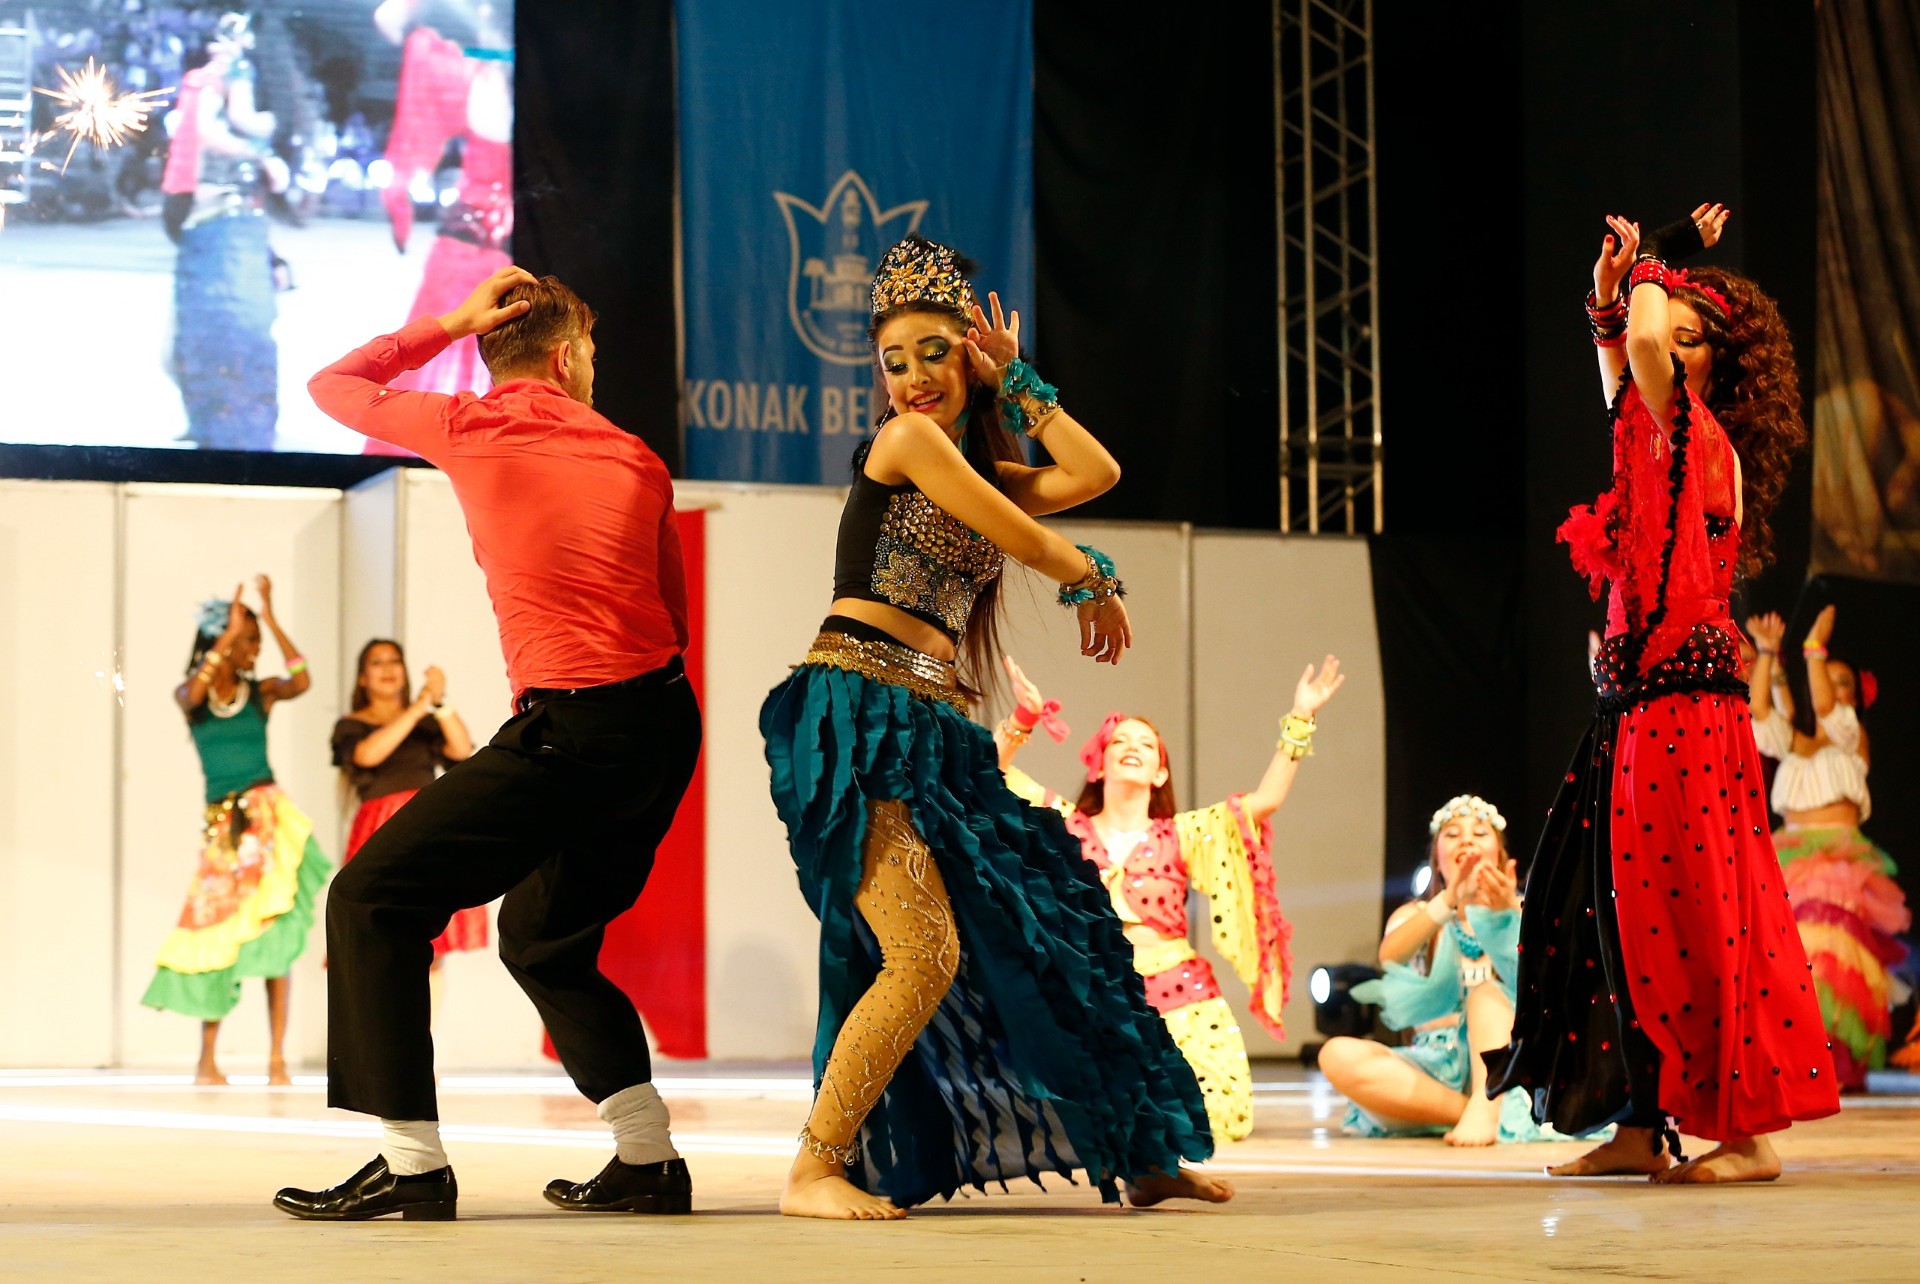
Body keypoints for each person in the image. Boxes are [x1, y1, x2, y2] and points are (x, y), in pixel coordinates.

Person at [760, 237, 1225, 1221]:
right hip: (858, 719)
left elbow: (1095, 470)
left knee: (1058, 928)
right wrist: (1090, 575)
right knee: (920, 954)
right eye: (894, 361)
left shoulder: (973, 462)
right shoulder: (905, 443)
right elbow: (1023, 535)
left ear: (966, 359)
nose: (913, 379)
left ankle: (1140, 1153)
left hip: (935, 728)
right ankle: (813, 1168)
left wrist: (1018, 378)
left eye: (935, 353)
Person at [277, 266, 700, 1222]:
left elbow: (333, 387)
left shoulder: (468, 425)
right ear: (566, 357)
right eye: (591, 353)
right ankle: (647, 1159)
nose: (593, 367)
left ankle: (412, 1166)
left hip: (571, 724)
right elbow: (672, 617)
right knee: (544, 938)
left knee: (370, 898)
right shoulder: (637, 457)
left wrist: (448, 323)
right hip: (660, 725)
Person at [1487, 205, 1840, 1183]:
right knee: (1610, 914)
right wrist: (1611, 293)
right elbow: (1623, 356)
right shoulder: (1650, 432)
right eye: (1667, 333)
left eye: (1692, 340)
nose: (1666, 348)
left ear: (1715, 367)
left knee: (1697, 916)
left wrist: (1660, 260)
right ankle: (1639, 1125)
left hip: (1686, 711)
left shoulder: (1698, 434)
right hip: (1635, 707)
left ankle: (1747, 1135)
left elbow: (1641, 346)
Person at [995, 655, 1343, 1141]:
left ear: (1160, 774)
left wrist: (1301, 716)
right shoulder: (1064, 824)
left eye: (1145, 744)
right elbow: (990, 776)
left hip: (1180, 996)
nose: (1131, 747)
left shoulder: (1183, 834)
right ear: (1099, 764)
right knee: (1063, 1113)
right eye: (1120, 741)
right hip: (1093, 993)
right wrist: (1024, 718)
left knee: (1215, 1112)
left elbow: (1264, 802)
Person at [142, 577, 327, 1087]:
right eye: (248, 640)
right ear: (219, 640)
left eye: (255, 641)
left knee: (276, 933)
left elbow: (301, 678)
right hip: (225, 831)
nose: (254, 650)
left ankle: (276, 1059)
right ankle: (207, 1059)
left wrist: (269, 617)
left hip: (267, 821)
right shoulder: (194, 698)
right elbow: (191, 693)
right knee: (218, 934)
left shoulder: (259, 694)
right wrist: (225, 641)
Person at [1323, 797, 1590, 1146]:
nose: (1466, 840)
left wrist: (1510, 912)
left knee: (1485, 995)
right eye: (1452, 835)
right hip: (1436, 1070)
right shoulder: (1417, 915)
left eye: (1479, 833)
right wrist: (1449, 900)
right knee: (1336, 1054)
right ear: (1437, 858)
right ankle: (1473, 1111)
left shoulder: (1527, 910)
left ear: (1500, 855)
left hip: (1510, 1066)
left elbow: (1557, 982)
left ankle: (1488, 1100)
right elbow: (1390, 956)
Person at [1747, 606, 1910, 1089]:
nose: (1833, 690)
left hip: (1839, 862)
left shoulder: (1851, 739)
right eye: (1826, 679)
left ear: (1854, 699)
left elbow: (1825, 710)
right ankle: (1793, 1060)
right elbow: (1761, 713)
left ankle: (1829, 1062)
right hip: (1790, 857)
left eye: (1843, 684)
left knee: (1831, 963)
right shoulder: (1795, 746)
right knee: (1788, 962)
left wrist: (1814, 650)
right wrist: (1767, 653)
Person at [365, 0, 513, 446]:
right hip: (495, 258)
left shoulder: (463, 73)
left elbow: (388, 18)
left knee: (437, 363)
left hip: (469, 253)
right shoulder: (547, 89)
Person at [160, 12, 290, 449]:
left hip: (222, 224)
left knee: (211, 337)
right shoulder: (215, 81)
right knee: (212, 338)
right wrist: (262, 149)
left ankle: (216, 423)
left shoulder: (217, 81)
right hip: (212, 222)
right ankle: (217, 423)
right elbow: (212, 130)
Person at [331, 640, 483, 966]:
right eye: (377, 662)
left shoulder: (426, 723)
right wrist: (417, 707)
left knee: (432, 933)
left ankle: (427, 1002)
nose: (388, 669)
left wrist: (439, 701)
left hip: (428, 823)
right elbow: (367, 755)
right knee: (380, 931)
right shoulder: (351, 725)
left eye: (394, 661)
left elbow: (461, 750)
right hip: (381, 825)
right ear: (362, 677)